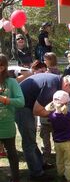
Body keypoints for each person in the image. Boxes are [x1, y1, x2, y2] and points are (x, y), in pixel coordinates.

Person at [15, 74, 70, 181]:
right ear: (67, 84)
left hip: (27, 104)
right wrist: (57, 115)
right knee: (29, 141)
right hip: (22, 106)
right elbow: (37, 111)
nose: (68, 95)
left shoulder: (56, 82)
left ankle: (39, 164)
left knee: (31, 138)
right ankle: (36, 174)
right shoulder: (51, 87)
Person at [45, 90, 70, 182]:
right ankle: (69, 178)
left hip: (57, 142)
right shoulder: (69, 115)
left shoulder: (51, 115)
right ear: (67, 102)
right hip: (68, 142)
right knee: (69, 161)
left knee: (59, 159)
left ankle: (60, 173)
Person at [0, 53, 25, 182]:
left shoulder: (11, 82)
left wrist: (6, 100)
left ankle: (15, 178)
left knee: (12, 153)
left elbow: (21, 102)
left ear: (2, 67)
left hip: (7, 125)